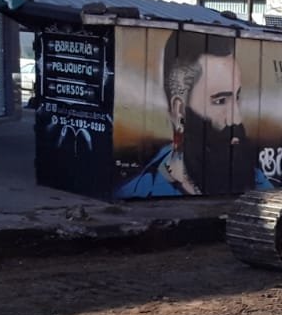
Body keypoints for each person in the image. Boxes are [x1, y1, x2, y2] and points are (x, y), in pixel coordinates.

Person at [115, 31, 270, 197]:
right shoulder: (140, 194)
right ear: (180, 111)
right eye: (220, 101)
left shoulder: (258, 184)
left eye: (237, 97)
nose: (236, 118)